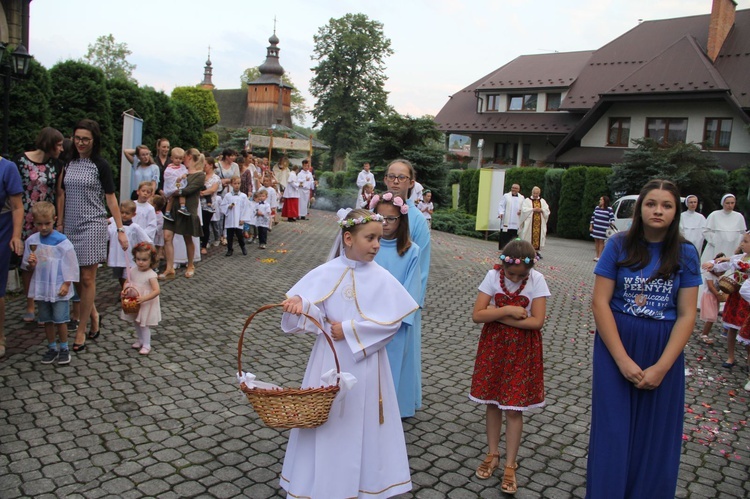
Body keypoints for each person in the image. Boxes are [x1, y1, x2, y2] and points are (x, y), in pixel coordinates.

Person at [277, 208, 418, 498]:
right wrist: (299, 306)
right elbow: (314, 312)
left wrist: (352, 330)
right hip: (329, 357)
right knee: (326, 419)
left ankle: (364, 485)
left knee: (359, 418)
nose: (377, 245)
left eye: (379, 238)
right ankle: (318, 483)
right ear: (348, 238)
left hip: (365, 363)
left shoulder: (382, 278)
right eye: (370, 238)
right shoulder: (326, 272)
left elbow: (390, 323)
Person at [587, 179, 701, 498]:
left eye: (666, 205)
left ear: (676, 211)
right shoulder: (618, 244)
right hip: (616, 347)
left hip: (662, 350)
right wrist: (622, 360)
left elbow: (687, 314)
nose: (658, 210)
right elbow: (600, 302)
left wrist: (663, 367)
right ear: (640, 208)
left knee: (656, 434)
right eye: (651, 203)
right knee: (613, 430)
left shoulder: (686, 252)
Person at [470, 239, 549, 494]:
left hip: (522, 352)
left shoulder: (537, 280)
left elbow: (537, 322)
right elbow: (476, 315)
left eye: (520, 275)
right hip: (494, 348)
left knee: (513, 408)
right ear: (503, 265)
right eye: (510, 273)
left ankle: (510, 463)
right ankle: (492, 453)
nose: (515, 278)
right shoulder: (493, 275)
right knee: (492, 401)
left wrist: (498, 313)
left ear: (529, 270)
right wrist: (512, 311)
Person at [57, 119, 129, 352]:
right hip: (70, 226)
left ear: (94, 141)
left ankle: (81, 329)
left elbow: (111, 198)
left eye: (85, 139)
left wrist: (120, 229)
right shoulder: (68, 162)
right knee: (75, 277)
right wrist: (59, 224)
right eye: (77, 138)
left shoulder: (101, 165)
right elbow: (61, 194)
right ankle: (94, 315)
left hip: (93, 225)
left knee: (87, 278)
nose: (80, 143)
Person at [383, 159, 432, 413]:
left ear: (412, 183)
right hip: (374, 295)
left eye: (401, 177)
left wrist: (411, 304)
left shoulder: (416, 220)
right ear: (385, 180)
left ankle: (400, 405)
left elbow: (421, 267)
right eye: (391, 176)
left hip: (404, 297)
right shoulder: (376, 210)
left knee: (402, 353)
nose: (395, 181)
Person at [371, 192, 422, 418]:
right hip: (368, 315)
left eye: (390, 218)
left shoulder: (411, 250)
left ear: (401, 220)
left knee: (393, 366)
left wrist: (400, 317)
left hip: (395, 320)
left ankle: (391, 411)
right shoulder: (369, 247)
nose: (385, 223)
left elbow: (412, 288)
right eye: (379, 217)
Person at [13, 127, 65, 322]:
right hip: (26, 217)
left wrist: (59, 220)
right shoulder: (21, 161)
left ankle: (47, 300)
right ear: (49, 143)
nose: (61, 148)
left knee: (47, 259)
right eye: (58, 145)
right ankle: (30, 303)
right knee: (28, 262)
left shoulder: (58, 165)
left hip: (47, 218)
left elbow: (60, 193)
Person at [21, 202, 79, 365]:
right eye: (39, 224)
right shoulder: (32, 241)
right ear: (34, 222)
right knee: (46, 319)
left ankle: (64, 347)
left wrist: (67, 284)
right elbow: (29, 266)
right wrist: (31, 263)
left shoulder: (62, 241)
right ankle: (52, 347)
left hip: (59, 285)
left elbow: (71, 265)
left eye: (47, 223)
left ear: (54, 220)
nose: (44, 227)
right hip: (42, 285)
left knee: (61, 319)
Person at [702, 233, 750, 370]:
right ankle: (731, 356)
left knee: (747, 330)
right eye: (742, 241)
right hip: (735, 296)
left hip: (747, 299)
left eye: (745, 241)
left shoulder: (740, 260)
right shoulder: (738, 258)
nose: (742, 244)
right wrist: (711, 265)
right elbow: (722, 265)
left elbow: (737, 264)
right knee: (732, 328)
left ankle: (748, 359)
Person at [161, 148, 205, 279]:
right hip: (173, 208)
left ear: (189, 157)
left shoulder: (199, 175)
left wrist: (174, 191)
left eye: (184, 157)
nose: (181, 160)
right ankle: (169, 268)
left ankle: (190, 264)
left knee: (187, 238)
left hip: (187, 209)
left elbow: (187, 190)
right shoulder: (181, 171)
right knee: (167, 237)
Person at [0, 156, 23, 357]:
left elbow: (17, 206)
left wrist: (16, 236)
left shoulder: (7, 168)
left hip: (1, 230)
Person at [121, 242, 161, 356]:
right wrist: (125, 290)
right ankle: (140, 340)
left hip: (145, 302)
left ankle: (147, 344)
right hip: (134, 300)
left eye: (144, 260)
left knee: (144, 324)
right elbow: (127, 281)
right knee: (136, 321)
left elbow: (157, 290)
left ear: (151, 261)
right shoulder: (133, 270)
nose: (140, 262)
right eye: (138, 259)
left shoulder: (151, 275)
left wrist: (144, 298)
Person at [107, 200, 151, 290]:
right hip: (116, 256)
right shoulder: (113, 226)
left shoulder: (135, 227)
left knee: (128, 276)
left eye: (127, 213)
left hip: (129, 257)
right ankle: (124, 290)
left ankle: (129, 291)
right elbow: (106, 237)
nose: (124, 215)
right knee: (119, 276)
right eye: (122, 212)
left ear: (133, 215)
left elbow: (146, 240)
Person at [701, 193, 746, 264]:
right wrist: (715, 240)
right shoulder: (714, 215)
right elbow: (705, 231)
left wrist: (738, 244)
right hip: (715, 247)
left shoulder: (739, 216)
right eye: (727, 203)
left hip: (732, 247)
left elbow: (742, 233)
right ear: (723, 203)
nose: (730, 205)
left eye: (732, 203)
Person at [698, 253, 726, 345]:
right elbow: (711, 287)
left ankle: (705, 333)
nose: (722, 273)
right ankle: (704, 334)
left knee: (713, 317)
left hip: (714, 297)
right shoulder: (709, 274)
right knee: (711, 317)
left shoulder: (719, 276)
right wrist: (718, 294)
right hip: (709, 296)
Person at [220, 176, 250, 256]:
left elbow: (246, 208)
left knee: (239, 235)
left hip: (239, 219)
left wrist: (243, 219)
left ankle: (243, 246)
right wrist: (228, 206)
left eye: (238, 183)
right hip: (230, 219)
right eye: (235, 183)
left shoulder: (243, 196)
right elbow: (223, 205)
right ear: (231, 184)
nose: (237, 185)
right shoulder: (228, 196)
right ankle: (230, 249)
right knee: (229, 235)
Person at [518, 186, 550, 253]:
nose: (535, 195)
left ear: (539, 193)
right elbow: (524, 210)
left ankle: (537, 252)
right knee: (528, 236)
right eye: (534, 193)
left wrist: (541, 210)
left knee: (539, 237)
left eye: (537, 193)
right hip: (529, 223)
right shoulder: (527, 200)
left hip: (539, 223)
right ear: (532, 192)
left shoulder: (542, 201)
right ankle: (527, 251)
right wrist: (533, 209)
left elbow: (547, 211)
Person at [199, 157, 221, 255]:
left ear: (211, 165)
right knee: (199, 224)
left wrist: (202, 193)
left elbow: (213, 189)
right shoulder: (201, 175)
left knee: (205, 224)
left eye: (205, 165)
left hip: (209, 204)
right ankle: (199, 242)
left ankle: (204, 244)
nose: (204, 167)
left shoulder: (215, 178)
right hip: (198, 203)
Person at [161, 148, 188, 222]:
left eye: (180, 158)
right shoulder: (169, 168)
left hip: (179, 184)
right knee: (171, 198)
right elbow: (167, 176)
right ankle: (167, 212)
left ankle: (182, 206)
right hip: (172, 186)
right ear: (172, 158)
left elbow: (186, 172)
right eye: (176, 158)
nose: (178, 160)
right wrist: (176, 179)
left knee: (181, 193)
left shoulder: (182, 166)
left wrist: (184, 175)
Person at [497, 183, 524, 250]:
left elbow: (524, 207)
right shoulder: (506, 196)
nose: (514, 189)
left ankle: (513, 249)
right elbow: (501, 205)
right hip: (507, 219)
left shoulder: (522, 197)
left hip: (516, 219)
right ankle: (503, 248)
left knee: (514, 235)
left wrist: (521, 211)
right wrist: (501, 213)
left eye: (516, 188)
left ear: (519, 189)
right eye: (513, 188)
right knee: (505, 234)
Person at [589, 195, 615, 262]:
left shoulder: (609, 209)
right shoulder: (597, 208)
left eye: (601, 200)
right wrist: (591, 226)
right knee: (596, 241)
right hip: (596, 228)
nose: (599, 201)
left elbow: (612, 218)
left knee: (601, 242)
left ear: (604, 201)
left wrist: (611, 224)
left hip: (603, 228)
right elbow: (593, 217)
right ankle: (597, 255)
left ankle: (600, 256)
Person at [149, 195, 165, 269]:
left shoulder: (159, 215)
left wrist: (155, 231)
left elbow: (160, 225)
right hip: (153, 235)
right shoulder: (151, 212)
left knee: (157, 251)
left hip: (157, 235)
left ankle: (155, 266)